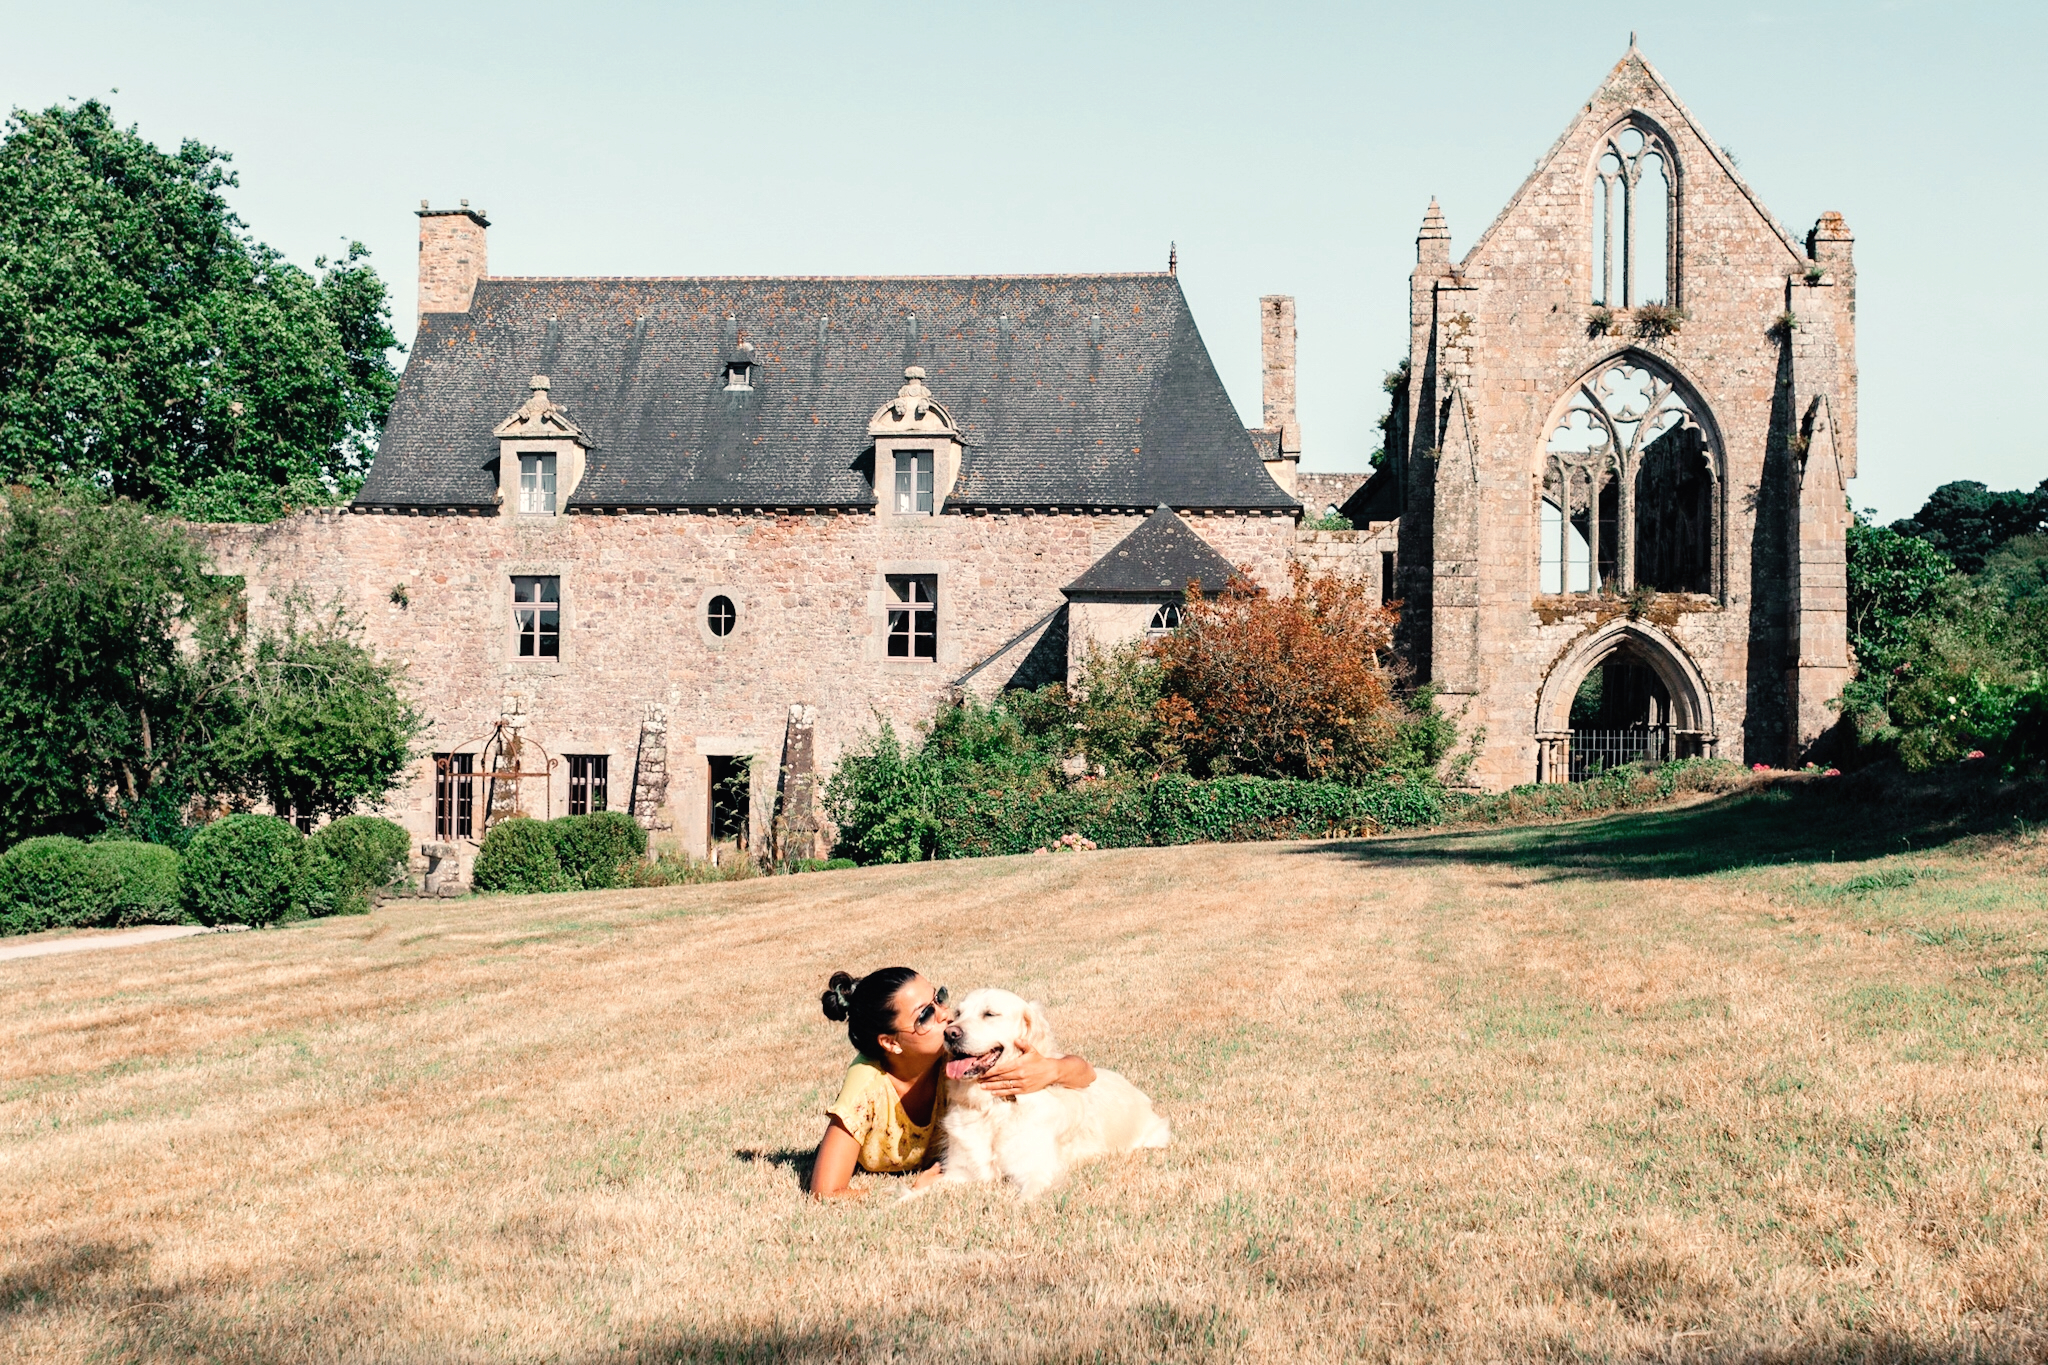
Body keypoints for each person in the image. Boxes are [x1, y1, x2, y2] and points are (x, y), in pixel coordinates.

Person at [808, 966, 1096, 1198]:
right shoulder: (866, 1086)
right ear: (891, 1043)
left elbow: (1086, 1074)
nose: (948, 1018)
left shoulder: (953, 1061)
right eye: (925, 1015)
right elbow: (825, 1190)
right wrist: (908, 1190)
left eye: (939, 998)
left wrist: (1050, 1069)